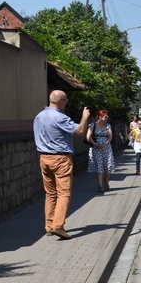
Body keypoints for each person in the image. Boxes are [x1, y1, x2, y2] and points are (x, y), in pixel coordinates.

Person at [34, 91, 91, 239]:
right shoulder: (60, 117)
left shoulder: (39, 116)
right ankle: (58, 226)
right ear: (59, 101)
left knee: (50, 194)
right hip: (60, 159)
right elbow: (79, 131)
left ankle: (48, 226)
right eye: (65, 100)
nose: (67, 103)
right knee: (64, 193)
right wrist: (84, 118)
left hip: (44, 158)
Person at [87, 110, 115, 193]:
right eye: (105, 116)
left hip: (106, 148)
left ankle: (106, 180)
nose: (106, 118)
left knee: (108, 166)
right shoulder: (93, 125)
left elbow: (110, 137)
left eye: (107, 116)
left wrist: (105, 144)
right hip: (96, 148)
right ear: (99, 117)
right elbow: (88, 136)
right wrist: (95, 144)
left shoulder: (108, 126)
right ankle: (100, 186)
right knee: (99, 167)